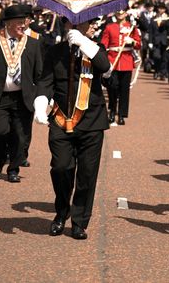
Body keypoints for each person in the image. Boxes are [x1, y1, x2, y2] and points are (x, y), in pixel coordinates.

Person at [44, 17, 107, 240]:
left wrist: (84, 43)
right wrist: (40, 100)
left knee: (87, 175)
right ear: (69, 26)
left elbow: (105, 65)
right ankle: (61, 212)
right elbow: (46, 81)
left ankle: (79, 221)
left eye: (90, 24)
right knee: (60, 167)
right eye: (84, 24)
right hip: (62, 119)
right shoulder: (55, 51)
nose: (90, 27)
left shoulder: (96, 48)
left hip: (91, 121)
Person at [0, 3, 45, 183]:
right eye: (20, 22)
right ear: (8, 23)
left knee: (20, 136)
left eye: (25, 21)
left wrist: (42, 98)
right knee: (0, 131)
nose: (24, 25)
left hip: (24, 97)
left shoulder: (33, 43)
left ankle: (13, 168)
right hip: (1, 96)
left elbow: (40, 75)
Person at [101, 10, 142, 126]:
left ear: (126, 13)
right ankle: (112, 111)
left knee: (124, 90)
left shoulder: (131, 28)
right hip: (112, 61)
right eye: (118, 11)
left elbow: (139, 44)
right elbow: (104, 44)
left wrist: (132, 41)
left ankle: (122, 115)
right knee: (112, 87)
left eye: (123, 11)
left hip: (126, 61)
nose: (120, 12)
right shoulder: (109, 27)